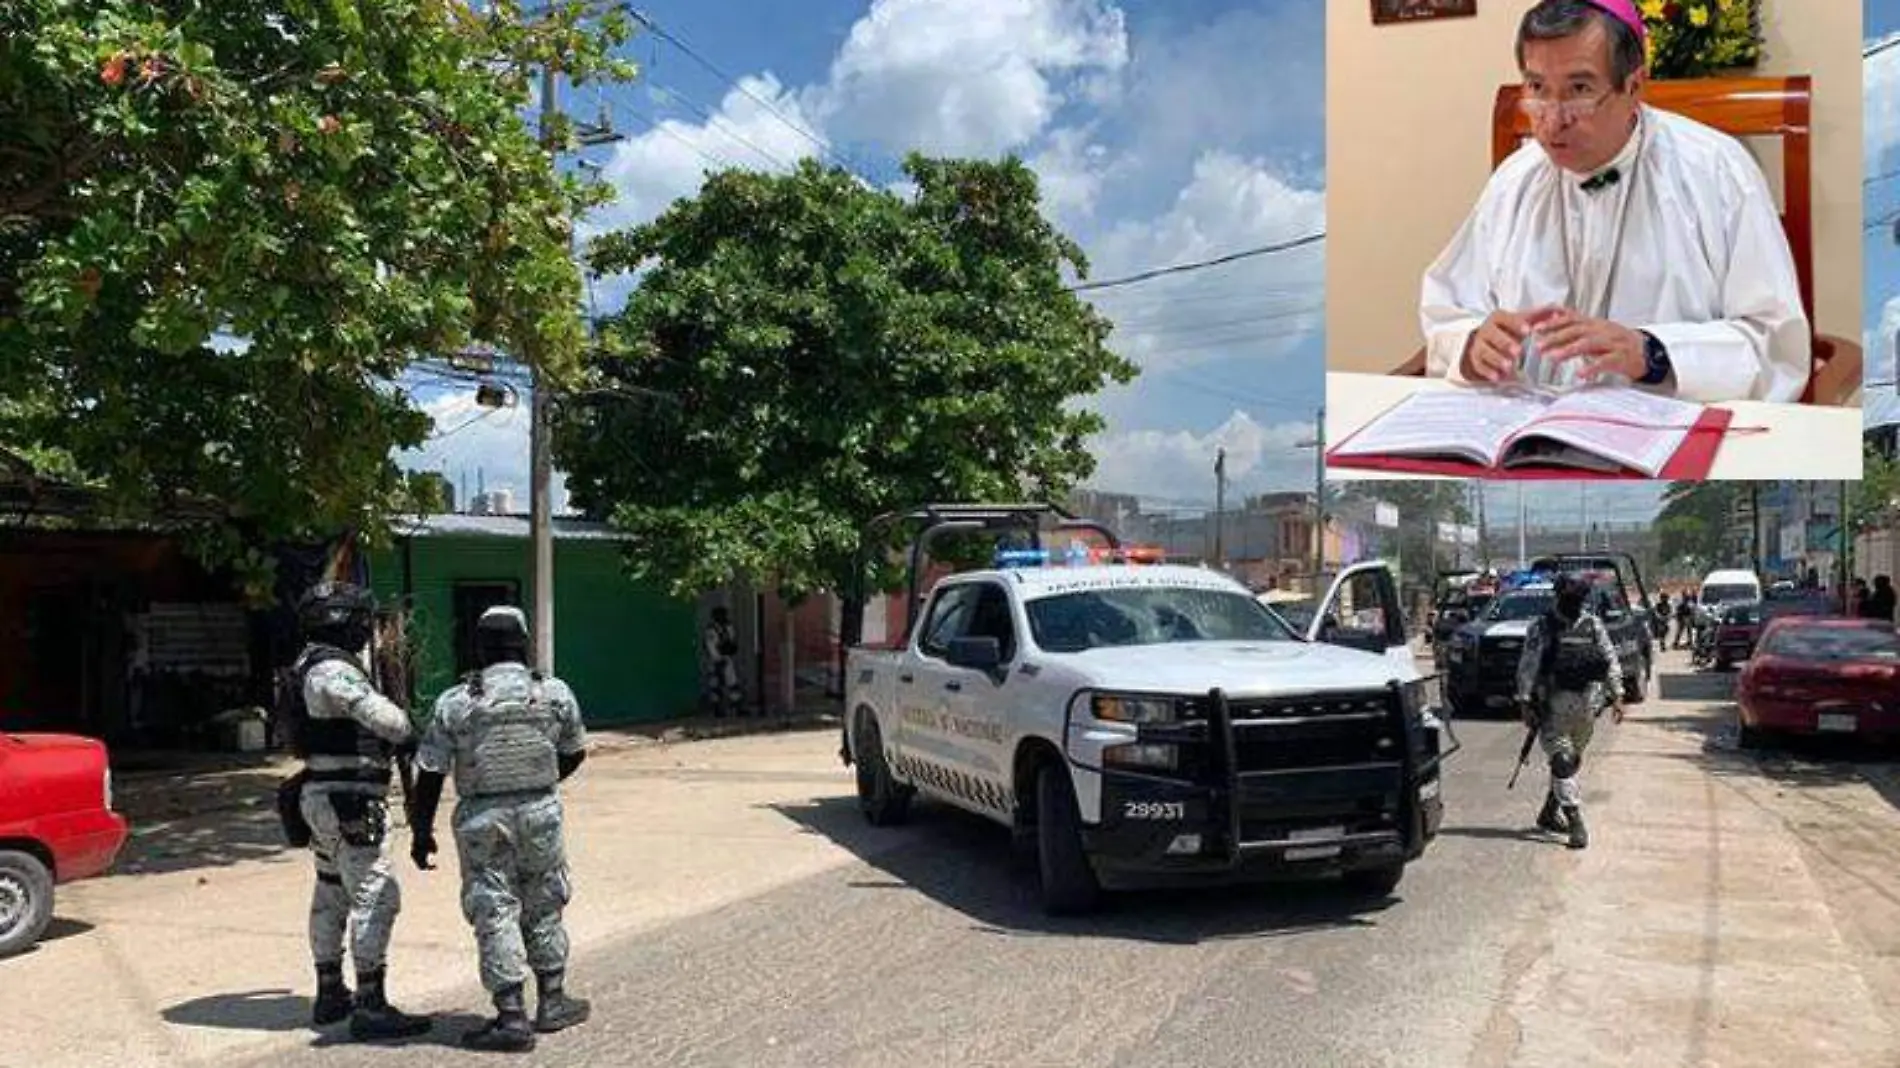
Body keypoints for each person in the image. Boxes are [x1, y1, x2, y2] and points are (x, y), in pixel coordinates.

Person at [1419, 0, 1809, 403]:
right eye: (1537, 89)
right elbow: (1447, 311)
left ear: (1634, 86)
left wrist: (1651, 353)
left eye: (1579, 90)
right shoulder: (1514, 180)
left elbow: (1774, 345)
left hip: (1669, 443)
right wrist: (1472, 345)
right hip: (1527, 439)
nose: (1552, 121)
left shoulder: (1716, 171)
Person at [410, 606, 590, 1052]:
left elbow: (429, 772)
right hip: (539, 812)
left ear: (480, 648)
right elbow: (574, 752)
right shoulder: (554, 692)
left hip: (480, 818)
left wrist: (420, 831)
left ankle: (511, 1016)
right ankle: (552, 1000)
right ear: (524, 643)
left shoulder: (455, 701)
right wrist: (537, 783)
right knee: (544, 899)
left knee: (495, 907)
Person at [283, 582, 431, 1040]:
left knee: (331, 892)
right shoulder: (330, 668)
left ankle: (331, 992)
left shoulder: (307, 663)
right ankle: (370, 1003)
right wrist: (409, 728)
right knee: (376, 895)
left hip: (326, 795)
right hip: (347, 799)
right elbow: (382, 718)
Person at [1515, 573, 1624, 849]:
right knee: (1562, 761)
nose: (1575, 605)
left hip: (1588, 706)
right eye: (1569, 599)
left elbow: (1609, 658)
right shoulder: (1543, 627)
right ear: (1559, 597)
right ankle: (1576, 823)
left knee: (1572, 761)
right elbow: (1528, 665)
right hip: (1553, 707)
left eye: (1579, 600)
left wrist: (1618, 695)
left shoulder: (1592, 625)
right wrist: (1525, 701)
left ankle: (1549, 812)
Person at [701, 606, 745, 718]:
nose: (723, 617)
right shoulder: (711, 630)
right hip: (716, 660)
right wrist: (717, 659)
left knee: (732, 683)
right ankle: (717, 709)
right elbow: (710, 646)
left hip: (727, 658)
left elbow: (732, 642)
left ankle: (737, 707)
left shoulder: (727, 627)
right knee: (715, 685)